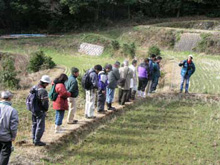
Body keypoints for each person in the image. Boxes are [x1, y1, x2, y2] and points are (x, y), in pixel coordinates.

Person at [31, 75, 51, 146]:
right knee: (40, 126)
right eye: (47, 83)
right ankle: (37, 141)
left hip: (33, 109)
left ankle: (33, 139)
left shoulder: (34, 88)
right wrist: (45, 109)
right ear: (45, 83)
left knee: (34, 124)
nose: (48, 85)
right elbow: (45, 103)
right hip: (40, 111)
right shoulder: (43, 91)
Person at [0, 91, 18, 165]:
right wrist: (13, 136)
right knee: (5, 154)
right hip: (5, 137)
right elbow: (13, 126)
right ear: (10, 98)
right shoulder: (12, 110)